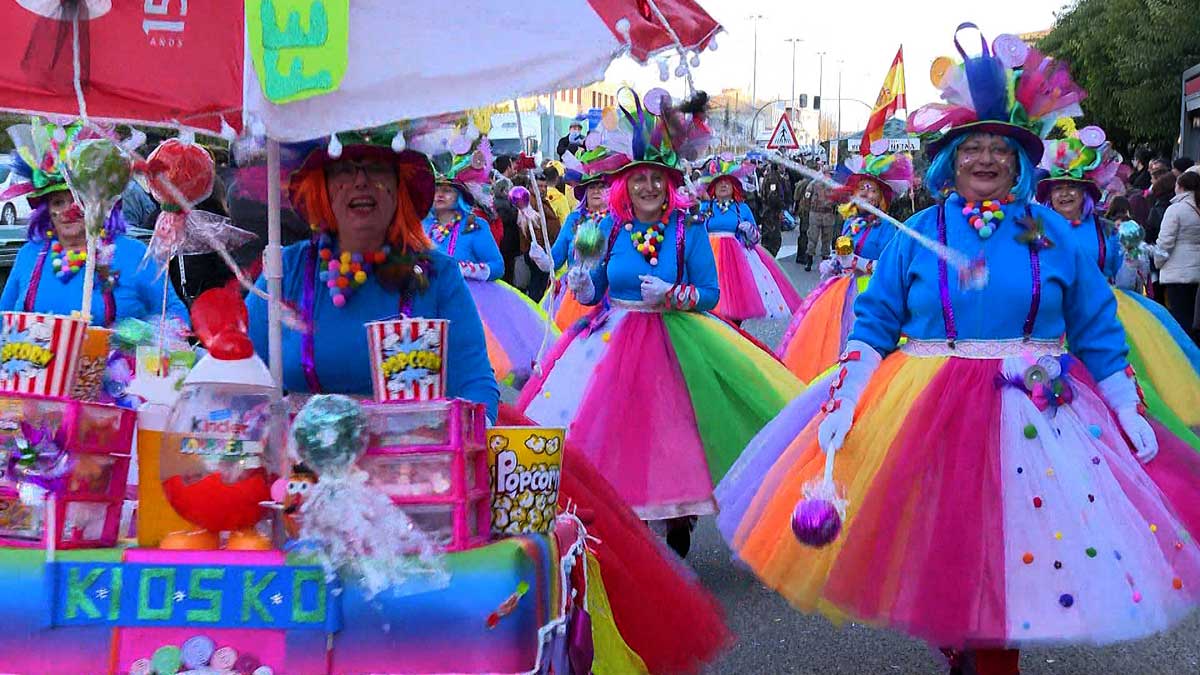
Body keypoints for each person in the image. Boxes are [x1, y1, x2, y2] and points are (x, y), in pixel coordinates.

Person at [717, 30, 1200, 675]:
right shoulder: (920, 230)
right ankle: (959, 639)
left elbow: (1094, 323)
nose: (985, 158)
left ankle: (992, 651)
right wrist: (848, 394)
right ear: (951, 159)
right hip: (927, 405)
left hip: (1035, 410)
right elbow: (875, 321)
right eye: (972, 146)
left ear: (1018, 163)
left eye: (999, 148)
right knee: (944, 536)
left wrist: (1123, 400)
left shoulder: (1046, 230)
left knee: (1019, 541)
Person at [518, 91, 803, 558]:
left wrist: (671, 294)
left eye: (656, 178)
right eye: (639, 178)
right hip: (611, 341)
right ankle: (633, 518)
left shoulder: (688, 228)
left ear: (669, 184)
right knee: (616, 432)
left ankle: (678, 513)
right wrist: (582, 284)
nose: (648, 186)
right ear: (625, 185)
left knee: (673, 431)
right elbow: (593, 288)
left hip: (675, 340)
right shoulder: (607, 228)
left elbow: (709, 293)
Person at [244, 128, 499, 419]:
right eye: (344, 169)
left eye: (377, 169)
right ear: (323, 187)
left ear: (399, 186)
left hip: (413, 446)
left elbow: (474, 382)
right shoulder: (287, 269)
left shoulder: (438, 274)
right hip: (299, 447)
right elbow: (242, 375)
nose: (361, 181)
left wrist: (476, 431)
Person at [1039, 130, 1200, 443]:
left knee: (1115, 383)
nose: (1065, 194)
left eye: (1072, 187)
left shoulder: (1106, 231)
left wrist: (1131, 255)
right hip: (1056, 316)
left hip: (1106, 311)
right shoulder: (1039, 230)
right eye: (1058, 188)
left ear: (1085, 193)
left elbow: (1124, 280)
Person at [0, 118, 187, 327]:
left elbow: (175, 314)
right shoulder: (29, 254)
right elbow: (3, 319)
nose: (68, 211)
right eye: (58, 202)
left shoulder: (134, 254)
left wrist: (135, 336)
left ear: (100, 203)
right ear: (47, 211)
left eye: (79, 200)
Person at [422, 147, 557, 387]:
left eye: (447, 190)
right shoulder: (424, 228)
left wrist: (467, 269)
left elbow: (497, 267)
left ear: (460, 195)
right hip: (431, 299)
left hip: (474, 303)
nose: (439, 195)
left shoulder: (475, 226)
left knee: (471, 364)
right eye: (436, 189)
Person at [777, 150, 913, 382]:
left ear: (881, 197)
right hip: (843, 289)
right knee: (834, 338)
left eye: (872, 190)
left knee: (865, 340)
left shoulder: (888, 228)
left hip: (871, 291)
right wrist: (835, 263)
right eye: (862, 189)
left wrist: (857, 262)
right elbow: (844, 252)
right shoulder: (850, 223)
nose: (866, 194)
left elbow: (889, 268)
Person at [694, 156, 801, 323]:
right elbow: (694, 231)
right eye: (719, 182)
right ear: (713, 187)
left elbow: (755, 238)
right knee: (710, 299)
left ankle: (733, 330)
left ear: (734, 187)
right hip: (709, 258)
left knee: (734, 303)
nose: (723, 185)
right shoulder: (705, 207)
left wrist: (750, 231)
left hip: (736, 262)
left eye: (727, 182)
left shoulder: (742, 208)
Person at [530, 151, 616, 331]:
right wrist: (543, 259)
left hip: (608, 298)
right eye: (591, 187)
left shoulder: (618, 221)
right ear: (584, 192)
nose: (596, 191)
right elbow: (556, 258)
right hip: (573, 296)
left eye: (601, 186)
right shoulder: (574, 219)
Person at [1154, 170, 1200, 341]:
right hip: (1196, 271)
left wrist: (1158, 262)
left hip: (1177, 273)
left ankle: (1186, 354)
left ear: (1180, 187)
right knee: (1194, 319)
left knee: (1181, 321)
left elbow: (1165, 242)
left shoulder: (1175, 209)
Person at [805, 167, 837, 271]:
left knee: (826, 239)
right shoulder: (814, 184)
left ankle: (824, 261)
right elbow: (807, 197)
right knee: (813, 238)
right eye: (829, 173)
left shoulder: (832, 185)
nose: (831, 176)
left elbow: (838, 200)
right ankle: (810, 260)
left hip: (826, 214)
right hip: (817, 213)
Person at [758, 164, 788, 255]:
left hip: (771, 211)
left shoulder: (774, 177)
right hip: (771, 212)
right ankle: (769, 257)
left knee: (772, 237)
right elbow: (773, 196)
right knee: (772, 238)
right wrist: (780, 208)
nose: (784, 168)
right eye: (782, 166)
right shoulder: (773, 178)